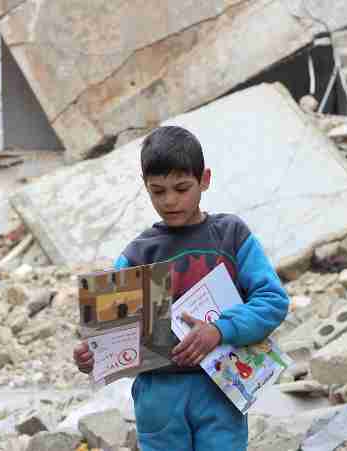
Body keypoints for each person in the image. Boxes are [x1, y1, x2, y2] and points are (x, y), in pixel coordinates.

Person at [73, 126, 290, 451]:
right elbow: (111, 335)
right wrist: (92, 355)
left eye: (181, 188)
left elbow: (272, 301)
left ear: (204, 180)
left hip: (220, 389)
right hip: (157, 398)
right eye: (158, 191)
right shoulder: (137, 255)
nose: (170, 200)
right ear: (145, 188)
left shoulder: (231, 236)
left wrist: (220, 330)